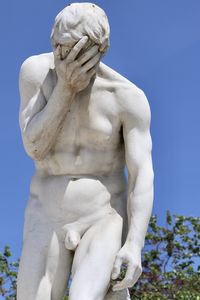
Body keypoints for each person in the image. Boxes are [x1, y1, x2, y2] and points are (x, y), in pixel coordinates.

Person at [18, 3, 154, 300]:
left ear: (98, 49)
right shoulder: (37, 74)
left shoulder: (127, 98)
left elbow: (142, 175)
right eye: (58, 47)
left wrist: (133, 245)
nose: (62, 56)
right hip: (46, 215)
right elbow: (34, 146)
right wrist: (65, 89)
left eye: (74, 49)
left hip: (103, 217)